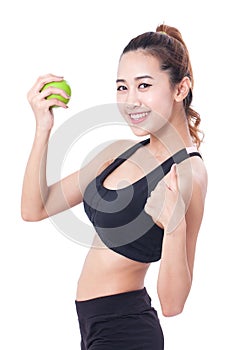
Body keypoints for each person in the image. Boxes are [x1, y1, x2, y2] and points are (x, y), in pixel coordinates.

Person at [21, 23, 208, 350]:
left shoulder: (188, 171)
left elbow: (173, 304)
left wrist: (174, 226)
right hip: (91, 325)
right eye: (122, 87)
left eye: (144, 85)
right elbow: (35, 208)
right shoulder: (119, 152)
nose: (131, 100)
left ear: (181, 89)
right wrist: (43, 128)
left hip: (126, 332)